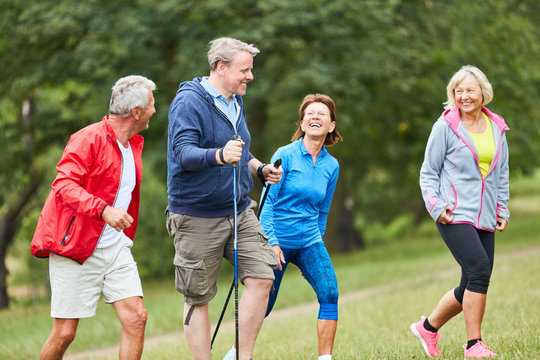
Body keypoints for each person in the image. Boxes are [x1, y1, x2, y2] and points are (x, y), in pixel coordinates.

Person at [166, 37, 282, 360]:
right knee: (197, 296)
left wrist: (260, 169)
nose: (250, 77)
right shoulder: (189, 102)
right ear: (220, 67)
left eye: (250, 70)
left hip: (239, 210)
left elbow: (239, 150)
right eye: (244, 70)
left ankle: (241, 357)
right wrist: (218, 155)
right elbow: (183, 152)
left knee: (262, 276)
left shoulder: (235, 100)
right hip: (196, 215)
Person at [30, 75, 157, 360]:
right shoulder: (88, 139)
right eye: (151, 104)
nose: (154, 110)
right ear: (136, 112)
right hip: (75, 246)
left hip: (114, 245)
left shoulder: (133, 144)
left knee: (136, 318)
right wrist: (103, 210)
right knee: (64, 333)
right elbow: (63, 186)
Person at [410, 65, 510, 359]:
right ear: (453, 95)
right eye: (459, 91)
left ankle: (428, 327)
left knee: (472, 280)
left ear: (483, 93)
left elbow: (501, 173)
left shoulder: (497, 128)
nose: (465, 96)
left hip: (485, 215)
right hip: (453, 213)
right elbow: (428, 173)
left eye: (470, 90)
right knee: (480, 270)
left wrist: (502, 208)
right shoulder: (445, 126)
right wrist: (436, 207)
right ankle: (473, 345)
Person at [260, 94, 343, 360]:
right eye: (310, 113)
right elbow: (266, 204)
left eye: (322, 114)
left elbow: (323, 210)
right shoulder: (285, 155)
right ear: (302, 122)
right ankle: (238, 353)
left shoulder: (332, 165)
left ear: (331, 125)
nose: (315, 117)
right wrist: (271, 243)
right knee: (263, 304)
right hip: (278, 240)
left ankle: (325, 358)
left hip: (310, 241)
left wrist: (315, 247)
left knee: (330, 293)